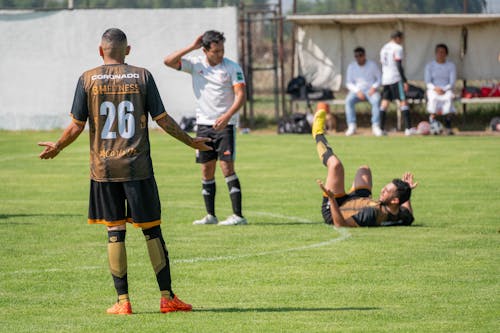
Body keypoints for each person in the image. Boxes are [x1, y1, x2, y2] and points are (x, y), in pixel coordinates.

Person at [38, 28, 212, 315]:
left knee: (115, 231)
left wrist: (57, 146)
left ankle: (123, 302)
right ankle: (167, 298)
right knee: (151, 230)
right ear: (127, 50)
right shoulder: (142, 76)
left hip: (104, 169)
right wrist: (190, 141)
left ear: (100, 50)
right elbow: (163, 119)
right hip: (138, 167)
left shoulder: (87, 78)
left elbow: (76, 125)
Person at [163, 30, 247, 226]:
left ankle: (238, 216)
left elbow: (241, 95)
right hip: (203, 125)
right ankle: (211, 215)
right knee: (206, 170)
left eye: (222, 50)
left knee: (226, 167)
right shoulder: (195, 64)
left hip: (225, 126)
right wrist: (191, 47)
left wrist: (227, 117)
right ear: (205, 50)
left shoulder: (232, 68)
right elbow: (167, 61)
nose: (220, 54)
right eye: (216, 51)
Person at [312, 104, 417, 227]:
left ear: (394, 200)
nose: (382, 189)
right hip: (358, 202)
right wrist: (407, 189)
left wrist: (331, 198)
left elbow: (340, 224)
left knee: (335, 165)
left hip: (337, 209)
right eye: (385, 187)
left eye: (387, 190)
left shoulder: (371, 213)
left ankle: (318, 134)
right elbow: (408, 212)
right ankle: (350, 194)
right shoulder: (402, 216)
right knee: (364, 170)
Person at [379, 30, 415, 136]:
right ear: (398, 38)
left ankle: (380, 129)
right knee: (403, 101)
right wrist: (404, 81)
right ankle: (408, 128)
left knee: (384, 103)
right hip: (395, 78)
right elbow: (398, 65)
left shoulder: (384, 48)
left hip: (385, 78)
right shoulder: (398, 48)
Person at [344, 46, 383, 136]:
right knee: (348, 100)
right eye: (356, 56)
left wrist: (374, 87)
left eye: (360, 55)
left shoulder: (372, 65)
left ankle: (375, 125)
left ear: (364, 55)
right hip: (357, 91)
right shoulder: (352, 66)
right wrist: (357, 91)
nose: (359, 58)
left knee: (377, 100)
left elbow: (379, 78)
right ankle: (351, 125)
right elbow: (349, 83)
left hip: (370, 91)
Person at [424, 43, 457, 135]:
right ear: (435, 53)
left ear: (446, 54)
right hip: (433, 89)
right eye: (438, 52)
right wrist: (435, 88)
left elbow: (452, 82)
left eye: (443, 52)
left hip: (446, 89)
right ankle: (433, 123)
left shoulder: (451, 66)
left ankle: (448, 126)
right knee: (433, 98)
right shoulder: (430, 66)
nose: (440, 54)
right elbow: (428, 82)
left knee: (449, 98)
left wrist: (444, 89)